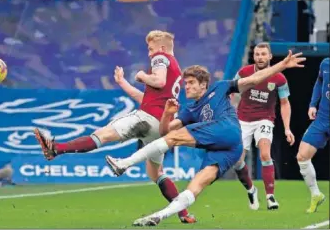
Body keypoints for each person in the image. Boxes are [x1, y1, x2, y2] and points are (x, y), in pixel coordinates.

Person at [105, 50, 305, 226]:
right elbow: (165, 132)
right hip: (226, 149)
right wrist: (167, 114)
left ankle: (124, 163)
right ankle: (159, 216)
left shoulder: (220, 87)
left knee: (177, 139)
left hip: (227, 130)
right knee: (197, 185)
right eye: (186, 83)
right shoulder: (189, 110)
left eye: (191, 83)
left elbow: (253, 79)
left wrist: (281, 65)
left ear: (203, 84)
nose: (187, 87)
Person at [33, 30, 196, 223]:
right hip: (160, 126)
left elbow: (158, 81)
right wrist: (122, 82)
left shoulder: (161, 58)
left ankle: (56, 149)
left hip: (146, 118)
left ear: (161, 48)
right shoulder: (175, 69)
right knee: (156, 173)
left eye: (151, 49)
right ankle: (184, 214)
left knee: (102, 135)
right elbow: (145, 97)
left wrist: (142, 75)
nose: (150, 54)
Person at [232, 42, 295, 210]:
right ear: (254, 57)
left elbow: (284, 103)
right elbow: (231, 91)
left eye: (263, 54)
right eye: (257, 54)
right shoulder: (244, 73)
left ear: (270, 56)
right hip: (243, 120)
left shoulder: (279, 78)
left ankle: (270, 196)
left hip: (265, 119)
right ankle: (251, 190)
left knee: (265, 155)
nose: (260, 57)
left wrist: (287, 128)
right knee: (237, 161)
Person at [296, 57, 329, 213]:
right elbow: (319, 82)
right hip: (322, 118)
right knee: (302, 156)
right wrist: (312, 104)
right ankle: (316, 194)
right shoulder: (326, 63)